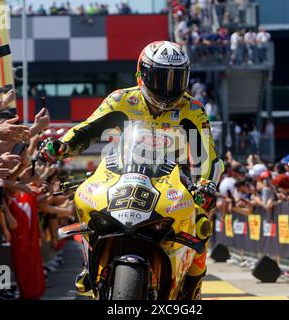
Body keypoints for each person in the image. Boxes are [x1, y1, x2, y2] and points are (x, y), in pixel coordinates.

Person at [39, 41, 224, 300]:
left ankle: (192, 288)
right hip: (120, 174)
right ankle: (92, 259)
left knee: (202, 223)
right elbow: (87, 129)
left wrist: (206, 183)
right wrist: (61, 146)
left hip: (172, 183)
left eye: (175, 78)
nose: (167, 87)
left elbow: (209, 155)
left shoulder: (192, 109)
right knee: (91, 208)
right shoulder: (121, 100)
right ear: (142, 74)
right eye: (161, 77)